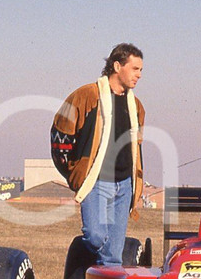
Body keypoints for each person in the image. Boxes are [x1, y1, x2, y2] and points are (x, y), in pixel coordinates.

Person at [51, 43, 145, 266]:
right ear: (116, 66)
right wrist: (76, 173)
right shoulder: (85, 96)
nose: (139, 75)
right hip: (96, 183)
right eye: (135, 69)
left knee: (113, 256)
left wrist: (136, 185)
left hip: (124, 186)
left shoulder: (137, 106)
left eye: (141, 70)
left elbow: (137, 149)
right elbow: (60, 136)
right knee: (95, 237)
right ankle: (84, 266)